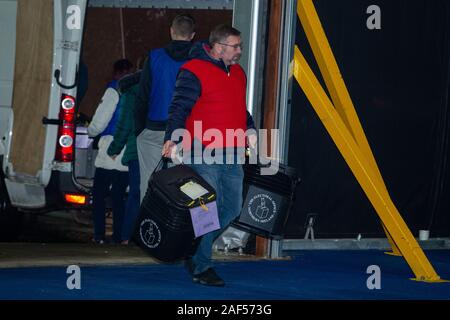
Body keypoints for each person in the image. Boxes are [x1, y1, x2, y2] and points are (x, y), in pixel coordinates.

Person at [162, 25, 257, 286]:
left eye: (240, 46)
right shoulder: (193, 70)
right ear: (217, 47)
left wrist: (249, 128)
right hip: (200, 149)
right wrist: (172, 137)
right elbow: (179, 107)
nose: (239, 50)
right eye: (235, 46)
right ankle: (202, 266)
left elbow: (238, 107)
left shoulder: (238, 73)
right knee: (207, 209)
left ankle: (193, 249)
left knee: (232, 208)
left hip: (233, 150)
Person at [135, 14, 196, 203]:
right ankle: (194, 229)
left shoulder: (154, 57)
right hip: (185, 131)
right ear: (192, 35)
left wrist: (139, 130)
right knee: (188, 185)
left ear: (171, 31)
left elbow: (142, 97)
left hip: (154, 129)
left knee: (148, 184)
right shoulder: (199, 60)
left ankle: (148, 228)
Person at [88, 59, 133, 244]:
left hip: (109, 149)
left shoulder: (113, 89)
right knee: (119, 197)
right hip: (126, 151)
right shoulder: (137, 91)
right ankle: (118, 236)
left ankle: (98, 235)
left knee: (99, 194)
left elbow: (100, 122)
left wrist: (91, 131)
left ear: (116, 73)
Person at [106, 57, 146, 245]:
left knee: (135, 193)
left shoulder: (132, 90)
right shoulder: (167, 86)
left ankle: (127, 237)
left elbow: (125, 123)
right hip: (160, 150)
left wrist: (115, 148)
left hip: (136, 150)